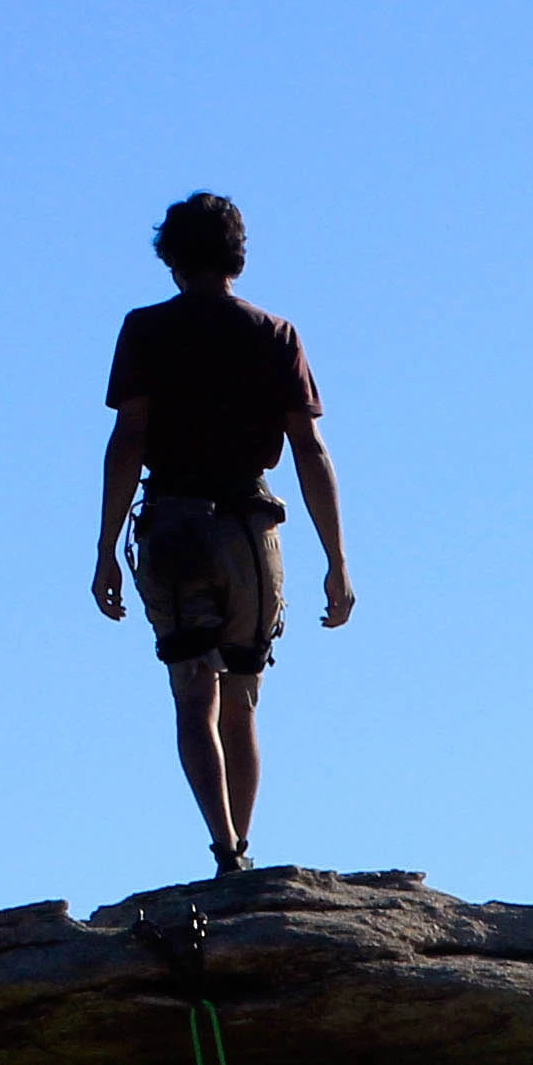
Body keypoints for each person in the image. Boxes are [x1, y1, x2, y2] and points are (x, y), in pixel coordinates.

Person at [91, 192, 351, 877]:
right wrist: (337, 561)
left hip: (175, 522)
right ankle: (243, 846)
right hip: (248, 527)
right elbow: (310, 450)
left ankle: (226, 850)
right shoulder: (275, 335)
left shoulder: (146, 331)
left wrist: (105, 549)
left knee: (192, 693)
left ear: (172, 259)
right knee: (241, 695)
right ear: (236, 256)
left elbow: (129, 438)